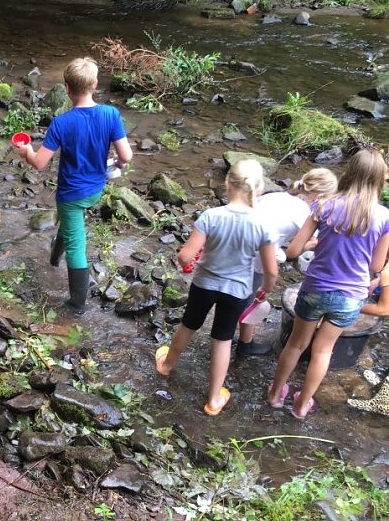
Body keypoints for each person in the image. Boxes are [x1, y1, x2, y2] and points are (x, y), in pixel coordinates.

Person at [267, 148, 389, 419]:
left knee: (296, 344)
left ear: (350, 171)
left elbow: (293, 251)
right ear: (379, 179)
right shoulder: (383, 217)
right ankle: (301, 406)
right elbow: (376, 266)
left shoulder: (324, 205)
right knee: (323, 350)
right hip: (351, 296)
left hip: (315, 288)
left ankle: (275, 395)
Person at [155, 159, 278, 416]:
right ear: (258, 189)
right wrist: (265, 288)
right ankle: (213, 399)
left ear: (227, 183)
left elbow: (185, 256)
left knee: (189, 324)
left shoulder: (211, 216)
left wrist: (187, 264)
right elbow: (271, 269)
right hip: (237, 290)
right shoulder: (263, 224)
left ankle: (167, 365)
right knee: (222, 340)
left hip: (204, 284)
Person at [15, 56, 132, 315]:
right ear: (95, 83)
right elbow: (126, 156)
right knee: (70, 222)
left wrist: (26, 151)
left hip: (71, 194)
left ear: (67, 88)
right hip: (94, 189)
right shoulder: (110, 114)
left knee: (76, 245)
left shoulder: (62, 123)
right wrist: (119, 164)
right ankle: (54, 259)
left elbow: (40, 163)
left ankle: (77, 304)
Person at [237, 168, 338, 356]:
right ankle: (237, 345)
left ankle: (244, 341)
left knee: (246, 297)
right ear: (321, 195)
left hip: (236, 244)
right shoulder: (305, 212)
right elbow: (308, 245)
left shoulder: (278, 196)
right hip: (255, 256)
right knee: (251, 299)